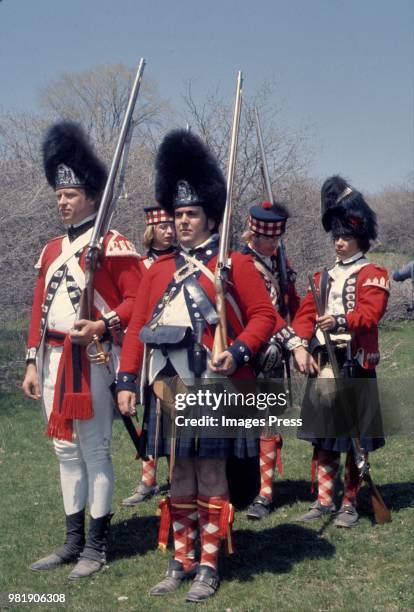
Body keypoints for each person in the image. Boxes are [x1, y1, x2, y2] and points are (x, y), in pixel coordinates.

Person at [116, 129, 281, 602]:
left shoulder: (234, 265)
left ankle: (209, 563)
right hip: (167, 385)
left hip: (212, 382)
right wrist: (128, 380)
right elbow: (134, 330)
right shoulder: (158, 270)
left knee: (211, 473)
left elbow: (265, 317)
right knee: (179, 475)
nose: (182, 222)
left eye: (190, 214)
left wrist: (241, 351)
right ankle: (180, 559)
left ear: (210, 217)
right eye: (177, 214)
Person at [22, 121, 141, 578]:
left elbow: (136, 302)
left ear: (91, 196)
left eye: (70, 195)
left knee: (94, 451)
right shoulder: (51, 249)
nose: (62, 202)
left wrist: (103, 323)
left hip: (91, 360)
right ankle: (71, 542)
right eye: (58, 195)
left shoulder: (113, 244)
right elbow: (38, 310)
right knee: (65, 453)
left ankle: (97, 545)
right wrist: (32, 361)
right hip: (52, 362)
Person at [293, 175, 390, 528]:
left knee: (354, 441)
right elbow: (304, 316)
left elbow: (370, 314)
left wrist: (341, 320)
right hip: (324, 362)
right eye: (336, 237)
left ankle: (350, 501)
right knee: (324, 437)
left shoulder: (374, 273)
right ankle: (322, 500)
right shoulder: (320, 277)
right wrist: (300, 346)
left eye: (345, 238)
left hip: (355, 363)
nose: (339, 244)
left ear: (359, 238)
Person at [240, 200, 302, 519]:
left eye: (277, 238)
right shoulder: (240, 263)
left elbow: (289, 303)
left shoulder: (279, 261)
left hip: (273, 353)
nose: (274, 243)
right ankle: (241, 485)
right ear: (254, 234)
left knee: (268, 423)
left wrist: (293, 337)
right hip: (245, 353)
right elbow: (260, 309)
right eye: (269, 238)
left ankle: (265, 492)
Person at [122, 205, 175, 506]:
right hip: (145, 349)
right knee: (150, 414)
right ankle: (148, 479)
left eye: (172, 225)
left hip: (174, 350)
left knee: (173, 414)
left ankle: (175, 475)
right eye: (163, 226)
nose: (169, 231)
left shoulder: (183, 262)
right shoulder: (139, 266)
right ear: (151, 230)